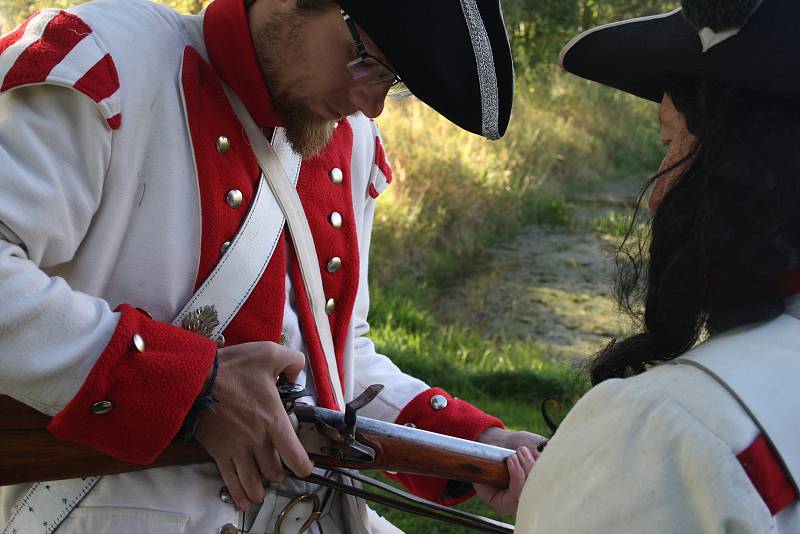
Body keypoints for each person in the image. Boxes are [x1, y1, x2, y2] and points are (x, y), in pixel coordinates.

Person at [0, 0, 543, 532]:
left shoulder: (348, 140)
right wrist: (193, 386)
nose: (371, 104)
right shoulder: (105, 60)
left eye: (392, 79)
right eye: (368, 60)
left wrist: (480, 445)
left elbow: (334, 361)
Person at [507, 0, 800, 531]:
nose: (657, 194)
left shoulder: (667, 433)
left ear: (745, 170)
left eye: (672, 145)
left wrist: (576, 494)